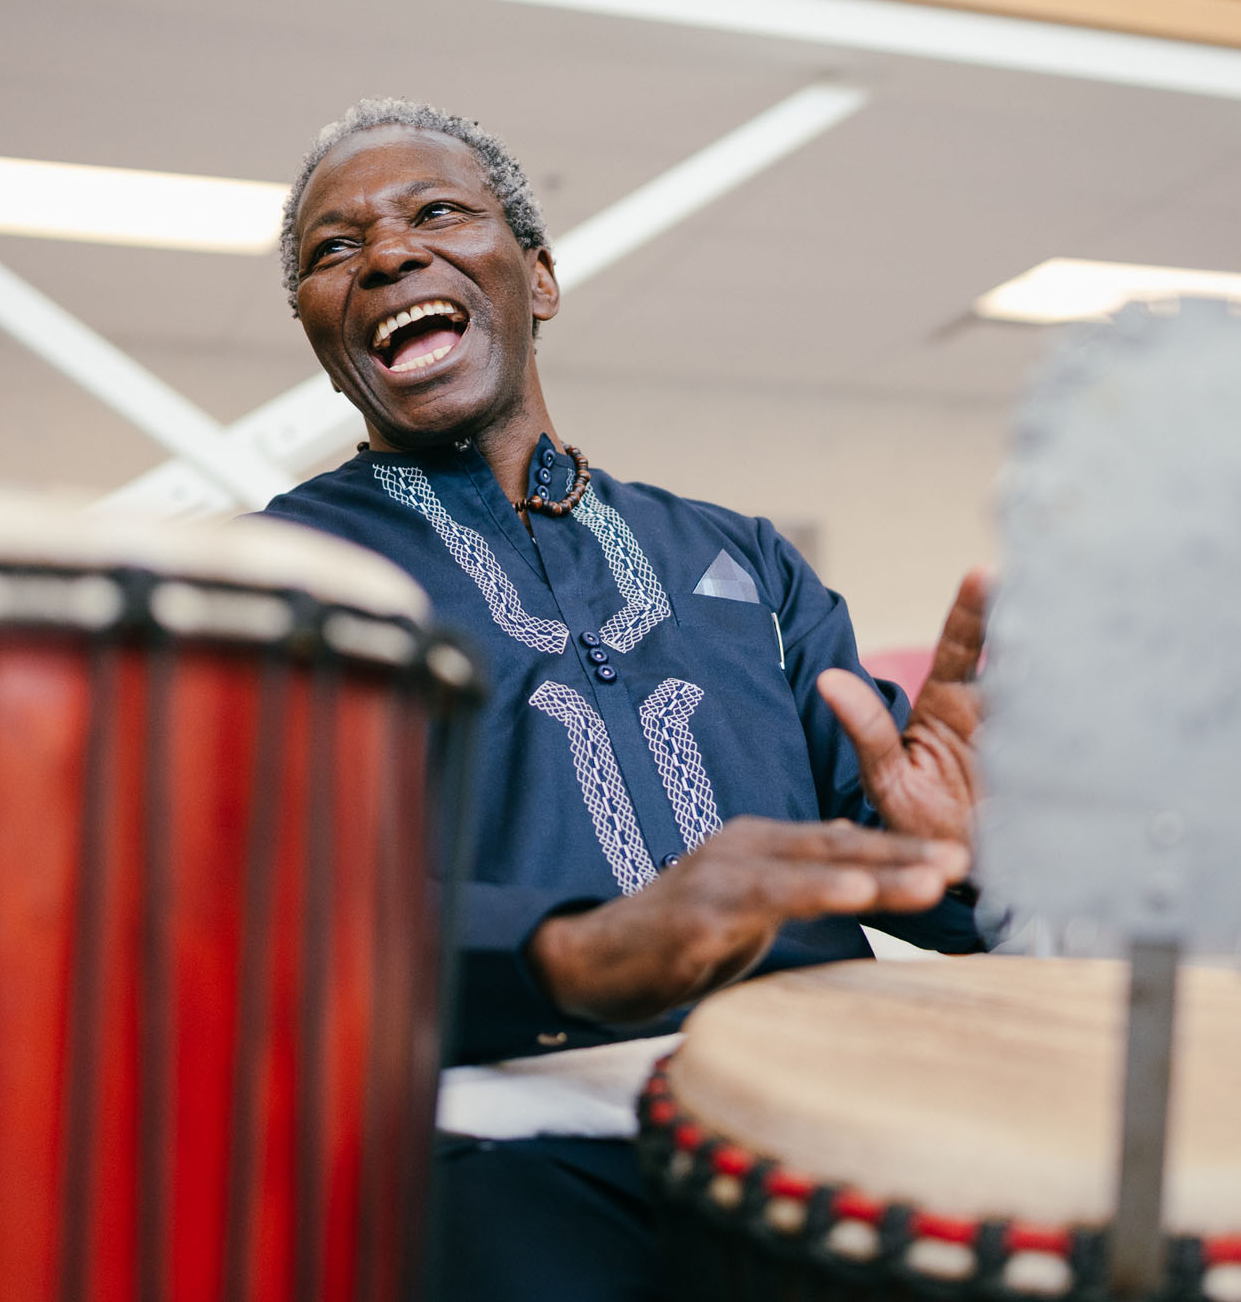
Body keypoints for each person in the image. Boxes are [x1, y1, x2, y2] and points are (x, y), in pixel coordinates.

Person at [258, 98, 990, 1301]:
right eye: (334, 250)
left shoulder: (743, 558)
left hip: (825, 1133)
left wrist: (955, 853)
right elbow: (270, 913)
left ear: (537, 278)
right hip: (495, 1150)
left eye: (436, 213)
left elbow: (912, 875)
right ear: (318, 329)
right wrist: (573, 953)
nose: (387, 254)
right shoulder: (283, 582)